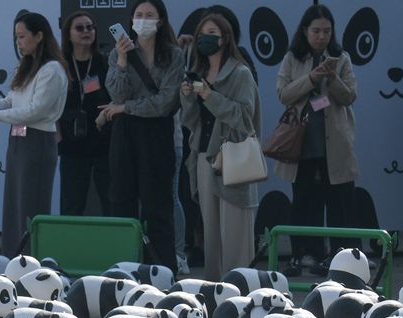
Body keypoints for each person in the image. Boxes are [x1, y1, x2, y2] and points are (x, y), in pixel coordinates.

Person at [0, 13, 67, 257]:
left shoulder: (52, 69)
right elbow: (12, 99)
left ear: (39, 36)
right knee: (13, 204)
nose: (19, 42)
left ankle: (30, 260)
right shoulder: (26, 65)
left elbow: (37, 110)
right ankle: (12, 257)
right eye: (16, 37)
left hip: (38, 140)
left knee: (30, 204)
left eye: (23, 36)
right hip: (18, 140)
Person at [276, 3, 360, 277]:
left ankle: (343, 259)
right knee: (303, 203)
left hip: (334, 145)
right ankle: (304, 255)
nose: (322, 36)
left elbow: (349, 97)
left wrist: (331, 76)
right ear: (305, 31)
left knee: (341, 205)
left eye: (327, 31)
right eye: (316, 31)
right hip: (302, 144)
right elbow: (284, 94)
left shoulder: (341, 57)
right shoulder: (293, 58)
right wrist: (312, 78)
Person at [180, 13, 261, 281]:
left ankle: (240, 288)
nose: (205, 39)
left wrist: (209, 95)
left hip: (232, 157)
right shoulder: (200, 72)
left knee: (235, 231)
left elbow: (244, 117)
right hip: (204, 156)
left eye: (212, 33)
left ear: (225, 38)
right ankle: (215, 291)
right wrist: (188, 96)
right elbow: (191, 121)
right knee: (211, 231)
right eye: (201, 34)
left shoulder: (240, 73)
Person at [104, 0, 184, 272]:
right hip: (124, 133)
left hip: (157, 132)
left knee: (158, 203)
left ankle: (161, 269)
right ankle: (123, 268)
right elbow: (116, 93)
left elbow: (165, 102)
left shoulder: (173, 55)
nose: (143, 20)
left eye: (150, 15)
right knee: (120, 198)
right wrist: (123, 60)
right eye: (138, 15)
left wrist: (126, 108)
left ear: (160, 20)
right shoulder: (117, 53)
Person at [58, 11, 111, 217]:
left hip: (103, 142)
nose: (86, 32)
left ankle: (114, 247)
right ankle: (68, 248)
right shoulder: (60, 65)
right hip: (71, 143)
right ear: (68, 34)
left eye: (90, 27)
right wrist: (57, 134)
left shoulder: (105, 62)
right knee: (72, 203)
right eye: (79, 28)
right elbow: (52, 104)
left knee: (110, 200)